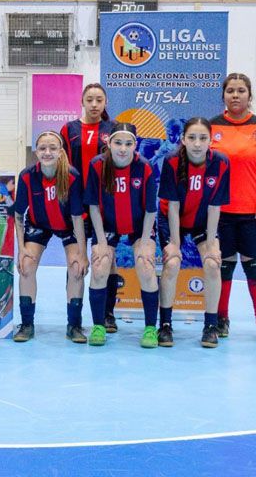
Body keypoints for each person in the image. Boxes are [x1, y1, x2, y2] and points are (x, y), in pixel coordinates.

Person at [211, 74, 256, 343]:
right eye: (230, 90)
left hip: (254, 213)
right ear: (223, 95)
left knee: (255, 268)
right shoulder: (211, 126)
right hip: (220, 213)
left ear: (249, 95)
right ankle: (221, 320)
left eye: (241, 90)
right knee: (223, 268)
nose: (235, 95)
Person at [157, 117, 230, 348]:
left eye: (202, 138)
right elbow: (173, 206)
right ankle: (165, 325)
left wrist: (212, 244)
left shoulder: (221, 163)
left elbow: (215, 207)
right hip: (173, 219)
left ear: (211, 140)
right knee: (172, 263)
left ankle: (211, 326)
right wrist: (174, 244)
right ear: (183, 140)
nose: (197, 144)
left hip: (202, 221)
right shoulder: (171, 161)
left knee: (212, 264)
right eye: (192, 138)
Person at [85, 124, 159, 347]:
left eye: (128, 143)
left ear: (135, 145)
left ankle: (150, 329)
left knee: (145, 265)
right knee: (100, 265)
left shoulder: (144, 167)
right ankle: (99, 325)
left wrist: (144, 242)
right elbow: (93, 206)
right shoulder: (97, 165)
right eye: (118, 143)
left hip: (139, 225)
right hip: (107, 224)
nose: (123, 149)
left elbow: (150, 210)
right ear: (109, 143)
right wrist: (100, 242)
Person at [11, 131, 86, 343]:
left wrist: (82, 254)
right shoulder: (27, 176)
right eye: (42, 148)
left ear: (61, 152)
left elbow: (77, 217)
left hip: (68, 225)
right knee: (26, 266)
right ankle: (27, 324)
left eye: (53, 148)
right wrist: (21, 249)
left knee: (76, 268)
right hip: (38, 224)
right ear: (36, 152)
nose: (47, 152)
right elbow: (18, 215)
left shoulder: (72, 176)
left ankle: (74, 325)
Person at [60, 83, 119, 332]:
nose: (94, 104)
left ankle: (107, 315)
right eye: (90, 100)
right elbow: (61, 166)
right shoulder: (69, 129)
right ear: (82, 102)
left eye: (99, 100)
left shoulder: (114, 129)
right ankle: (74, 321)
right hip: (75, 205)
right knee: (76, 261)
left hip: (105, 207)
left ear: (105, 103)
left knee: (107, 260)